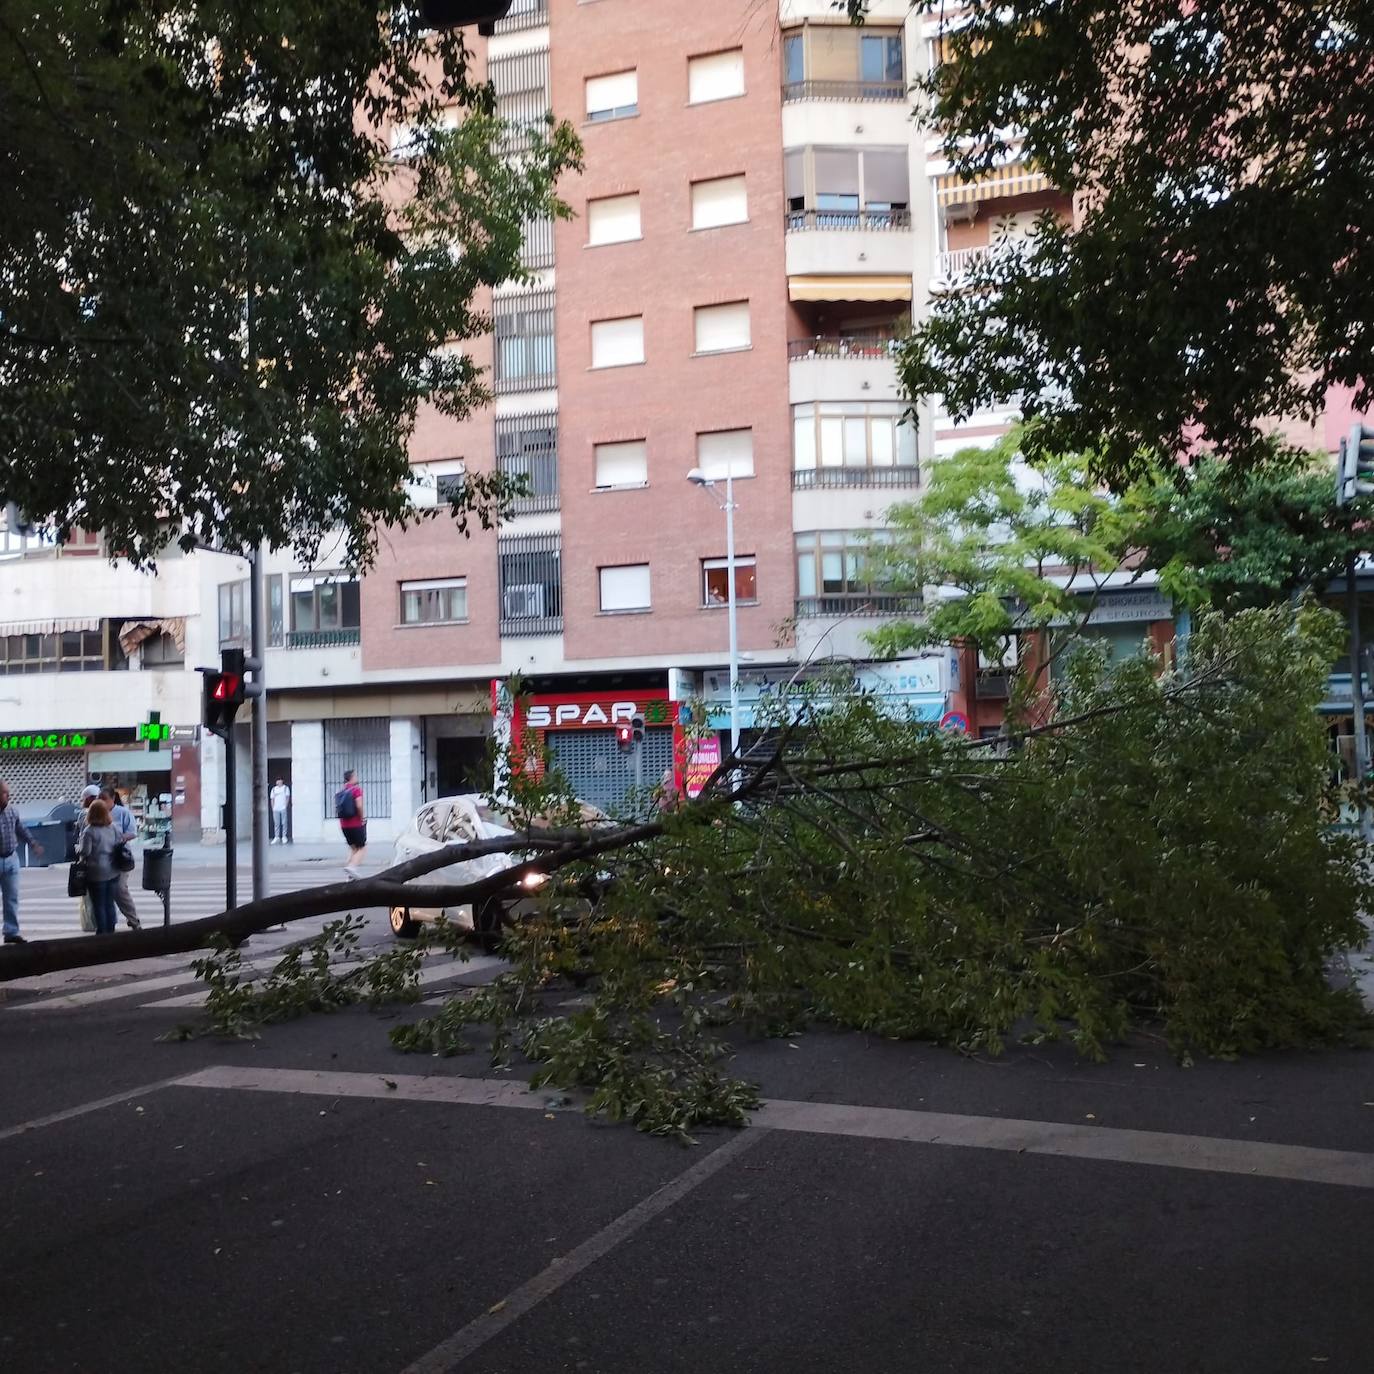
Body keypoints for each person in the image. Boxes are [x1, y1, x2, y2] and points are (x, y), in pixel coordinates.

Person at [0, 778, 43, 945]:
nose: (8, 796)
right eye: (4, 793)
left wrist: (33, 843)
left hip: (11, 859)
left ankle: (11, 932)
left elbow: (21, 829)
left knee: (11, 898)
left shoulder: (12, 811)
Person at [100, 786, 141, 930]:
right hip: (103, 858)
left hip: (120, 857)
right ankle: (108, 923)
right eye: (100, 799)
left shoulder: (122, 813)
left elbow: (132, 833)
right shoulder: (98, 813)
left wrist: (118, 839)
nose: (102, 802)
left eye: (105, 799)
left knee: (120, 889)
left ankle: (133, 920)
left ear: (113, 799)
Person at [79, 799, 121, 935]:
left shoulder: (89, 831)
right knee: (109, 902)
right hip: (113, 870)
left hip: (96, 872)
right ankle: (111, 929)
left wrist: (77, 849)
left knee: (98, 904)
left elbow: (86, 852)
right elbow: (119, 844)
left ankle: (102, 932)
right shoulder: (113, 828)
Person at [335, 769, 366, 877]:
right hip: (355, 824)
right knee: (362, 848)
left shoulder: (342, 791)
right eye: (355, 776)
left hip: (344, 825)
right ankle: (352, 867)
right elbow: (359, 806)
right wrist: (362, 818)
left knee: (353, 848)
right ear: (352, 778)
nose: (357, 777)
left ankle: (350, 876)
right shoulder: (356, 790)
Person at [270, 778, 291, 844]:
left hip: (283, 808)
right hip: (276, 808)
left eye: (280, 780)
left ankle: (284, 836)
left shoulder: (285, 788)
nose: (279, 781)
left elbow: (287, 797)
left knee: (284, 822)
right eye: (278, 780)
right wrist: (273, 807)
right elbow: (272, 799)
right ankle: (277, 837)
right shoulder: (273, 789)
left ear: (282, 781)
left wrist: (285, 806)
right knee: (276, 823)